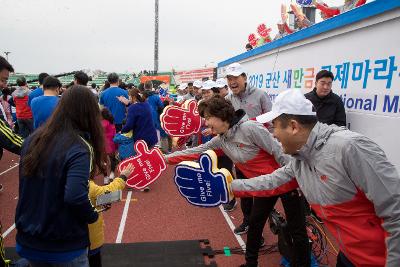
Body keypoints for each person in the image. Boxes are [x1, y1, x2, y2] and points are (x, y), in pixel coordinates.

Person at [230, 89, 400, 267]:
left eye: (275, 126)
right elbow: (271, 181)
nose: (273, 133)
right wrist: (231, 186)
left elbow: (395, 210)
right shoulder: (301, 158)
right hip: (349, 256)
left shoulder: (350, 148)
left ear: (294, 126)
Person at [166, 96, 310, 267]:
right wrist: (164, 159)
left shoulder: (249, 128)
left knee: (297, 229)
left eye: (207, 117)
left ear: (221, 115)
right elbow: (196, 151)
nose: (205, 122)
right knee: (255, 223)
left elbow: (279, 152)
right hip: (264, 186)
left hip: (286, 181)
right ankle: (250, 264)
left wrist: (299, 179)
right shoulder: (220, 140)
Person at [15, 85, 106, 267]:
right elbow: (74, 195)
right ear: (89, 112)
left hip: (28, 238)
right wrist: (92, 215)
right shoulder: (79, 147)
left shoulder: (33, 139)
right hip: (63, 244)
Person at [224, 62, 272, 229]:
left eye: (235, 77)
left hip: (262, 155)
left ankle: (262, 225)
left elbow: (271, 121)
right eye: (229, 78)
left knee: (263, 192)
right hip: (241, 155)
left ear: (244, 77)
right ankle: (246, 222)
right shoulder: (227, 100)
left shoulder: (260, 95)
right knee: (244, 191)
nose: (232, 82)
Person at [88, 165, 133, 267]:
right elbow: (108, 191)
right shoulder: (83, 183)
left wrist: (100, 204)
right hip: (88, 240)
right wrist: (123, 177)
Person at [0, 56, 24, 193]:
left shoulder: (13, 95)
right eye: (2, 80)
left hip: (17, 118)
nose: (4, 84)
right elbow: (8, 138)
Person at [101, 108, 117, 185]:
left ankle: (105, 177)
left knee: (104, 162)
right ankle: (112, 173)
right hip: (112, 143)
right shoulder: (112, 123)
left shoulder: (102, 123)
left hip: (103, 144)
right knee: (112, 159)